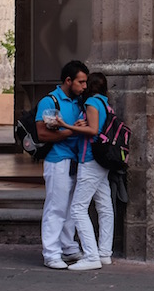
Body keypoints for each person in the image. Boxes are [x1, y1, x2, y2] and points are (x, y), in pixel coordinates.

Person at [54, 72, 114, 271]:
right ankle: (104, 252)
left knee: (78, 209)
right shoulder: (105, 103)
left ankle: (91, 256)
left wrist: (65, 125)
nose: (83, 86)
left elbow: (93, 130)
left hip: (89, 160)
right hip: (101, 161)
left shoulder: (92, 103)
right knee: (104, 206)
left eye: (86, 83)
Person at [35, 60, 88, 269]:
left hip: (75, 159)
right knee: (56, 206)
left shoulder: (79, 101)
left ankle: (68, 247)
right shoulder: (50, 101)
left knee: (71, 207)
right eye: (80, 82)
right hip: (57, 159)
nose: (84, 86)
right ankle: (51, 252)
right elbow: (42, 134)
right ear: (68, 80)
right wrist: (71, 130)